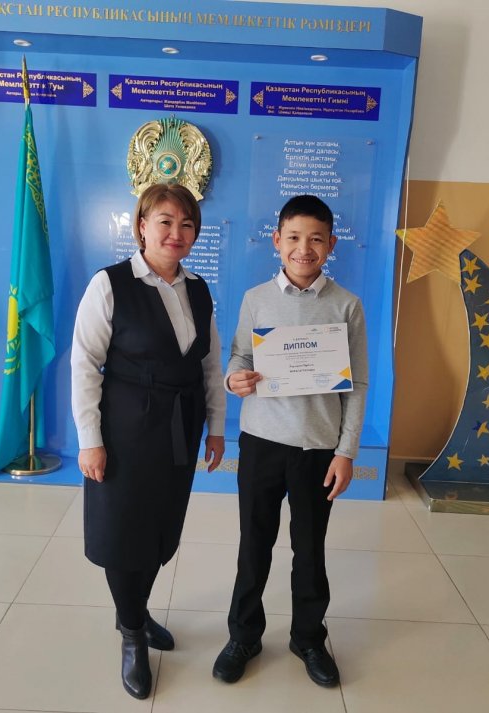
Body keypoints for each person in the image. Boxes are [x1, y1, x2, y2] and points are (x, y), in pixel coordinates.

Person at [71, 183, 226, 700]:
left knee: (161, 527)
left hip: (182, 425)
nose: (176, 233)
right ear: (141, 226)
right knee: (123, 529)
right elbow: (84, 364)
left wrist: (216, 427)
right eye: (165, 221)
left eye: (186, 224)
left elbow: (210, 364)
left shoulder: (198, 289)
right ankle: (132, 633)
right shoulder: (110, 284)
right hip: (125, 429)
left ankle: (134, 610)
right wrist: (90, 439)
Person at [212, 194, 368, 688]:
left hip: (318, 449)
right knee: (254, 545)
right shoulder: (256, 298)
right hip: (261, 442)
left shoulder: (347, 305)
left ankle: (308, 638)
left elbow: (357, 384)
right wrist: (233, 378)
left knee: (310, 549)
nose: (305, 248)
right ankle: (243, 635)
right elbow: (240, 356)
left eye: (316, 239)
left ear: (331, 245)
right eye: (294, 237)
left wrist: (345, 452)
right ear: (277, 241)